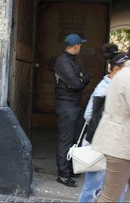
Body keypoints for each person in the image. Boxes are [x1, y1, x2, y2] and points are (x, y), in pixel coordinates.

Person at [78, 44, 128, 202]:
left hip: (109, 143)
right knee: (93, 188)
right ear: (117, 69)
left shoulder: (113, 84)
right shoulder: (104, 88)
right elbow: (88, 115)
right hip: (101, 144)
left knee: (113, 189)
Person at [91, 52, 130, 202]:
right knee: (109, 198)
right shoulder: (127, 75)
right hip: (120, 145)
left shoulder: (123, 73)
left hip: (120, 141)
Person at [54, 33, 90, 187]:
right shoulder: (62, 62)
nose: (81, 47)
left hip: (74, 105)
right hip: (66, 106)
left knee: (76, 139)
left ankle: (71, 168)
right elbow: (78, 84)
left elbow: (85, 77)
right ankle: (63, 174)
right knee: (65, 141)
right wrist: (80, 79)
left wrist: (81, 78)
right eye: (80, 45)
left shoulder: (71, 61)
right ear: (75, 46)